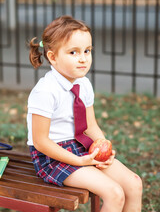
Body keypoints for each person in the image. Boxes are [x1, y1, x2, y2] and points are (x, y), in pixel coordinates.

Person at [27, 15, 142, 212]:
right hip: (53, 156)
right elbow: (41, 142)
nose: (83, 58)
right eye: (73, 52)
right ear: (53, 57)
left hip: (81, 147)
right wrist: (79, 161)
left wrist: (104, 147)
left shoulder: (83, 83)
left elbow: (90, 126)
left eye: (87, 51)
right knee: (114, 192)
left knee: (134, 183)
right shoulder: (45, 91)